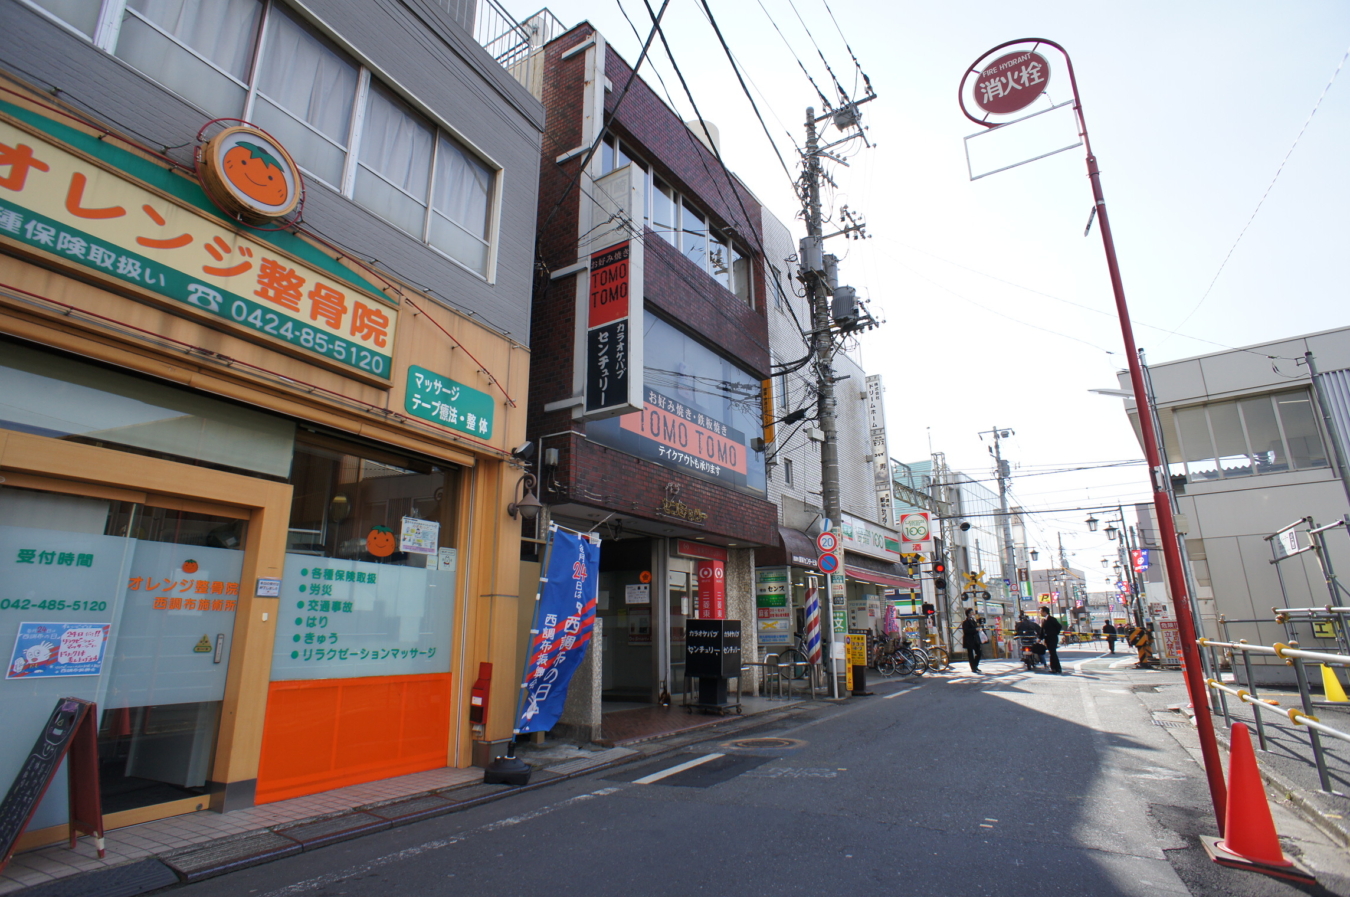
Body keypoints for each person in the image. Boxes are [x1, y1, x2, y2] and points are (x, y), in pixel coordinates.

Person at [1039, 606, 1063, 674]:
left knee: (1053, 653)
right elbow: (1042, 630)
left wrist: (1054, 633)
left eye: (1041, 611)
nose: (1040, 612)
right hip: (1047, 639)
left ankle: (1057, 668)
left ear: (1044, 612)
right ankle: (1055, 668)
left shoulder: (1052, 619)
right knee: (1051, 653)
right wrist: (1040, 638)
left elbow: (1059, 626)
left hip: (1053, 638)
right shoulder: (1043, 620)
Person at [961, 608, 983, 673]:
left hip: (975, 639)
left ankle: (975, 665)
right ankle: (973, 667)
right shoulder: (965, 622)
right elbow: (966, 630)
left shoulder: (974, 621)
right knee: (970, 654)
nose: (973, 613)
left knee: (979, 652)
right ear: (968, 614)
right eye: (971, 612)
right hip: (969, 640)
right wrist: (975, 630)